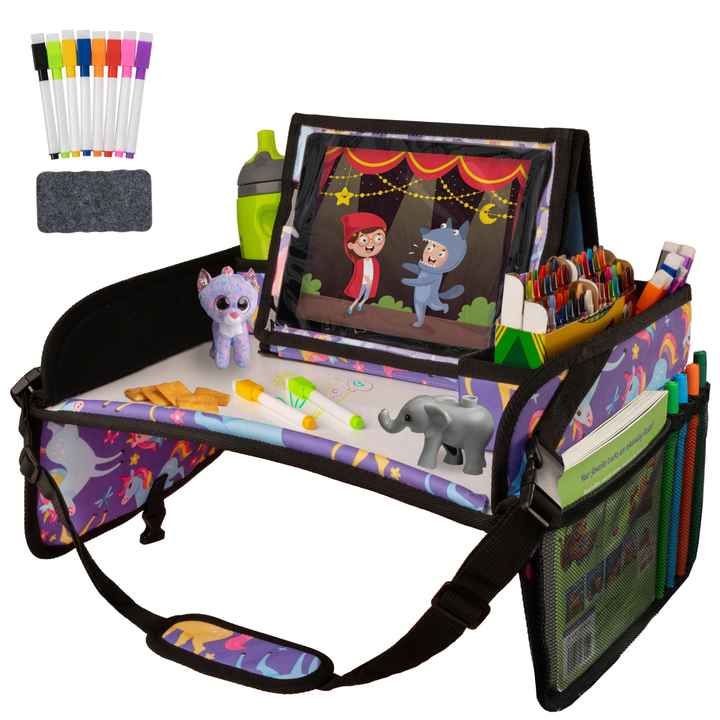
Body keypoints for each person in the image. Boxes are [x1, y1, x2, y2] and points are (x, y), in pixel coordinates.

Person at [340, 212, 387, 315]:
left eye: (378, 239)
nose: (371, 244)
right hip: (362, 283)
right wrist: (364, 280)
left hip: (370, 284)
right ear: (351, 245)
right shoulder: (360, 263)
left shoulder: (375, 262)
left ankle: (360, 305)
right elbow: (357, 275)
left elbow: (376, 275)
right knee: (358, 296)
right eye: (364, 240)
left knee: (366, 297)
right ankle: (351, 307)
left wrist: (372, 283)